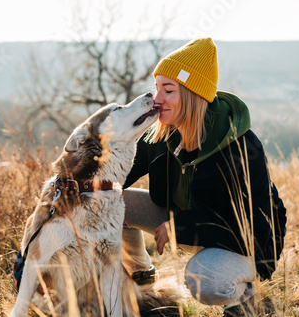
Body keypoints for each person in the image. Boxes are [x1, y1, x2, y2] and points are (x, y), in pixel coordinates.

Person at [121, 38, 287, 316]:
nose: (156, 98)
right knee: (114, 202)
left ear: (192, 95)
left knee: (203, 279)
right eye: (156, 88)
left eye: (168, 90)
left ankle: (244, 303)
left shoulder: (239, 148)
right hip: (187, 219)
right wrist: (75, 186)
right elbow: (119, 175)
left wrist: (178, 227)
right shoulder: (162, 134)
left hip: (249, 244)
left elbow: (245, 228)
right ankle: (142, 281)